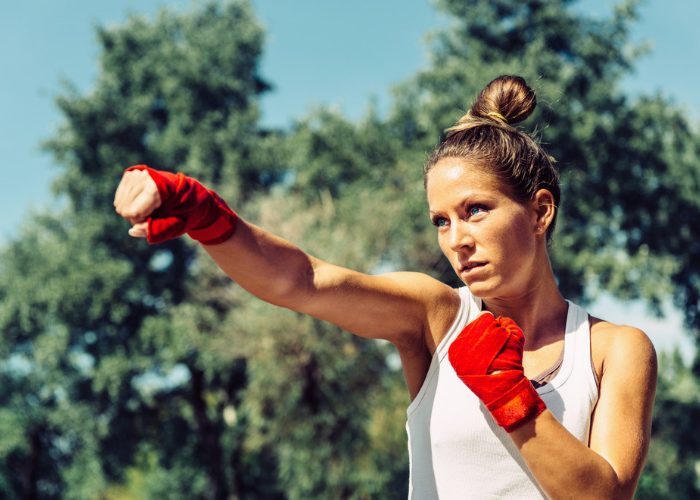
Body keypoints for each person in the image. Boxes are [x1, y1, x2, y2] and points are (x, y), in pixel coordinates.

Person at [114, 75, 657, 499]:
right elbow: (302, 281)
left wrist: (512, 399)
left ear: (539, 211)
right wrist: (203, 213)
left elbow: (603, 496)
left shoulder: (614, 349)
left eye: (475, 211)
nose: (457, 239)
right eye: (441, 221)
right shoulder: (436, 317)